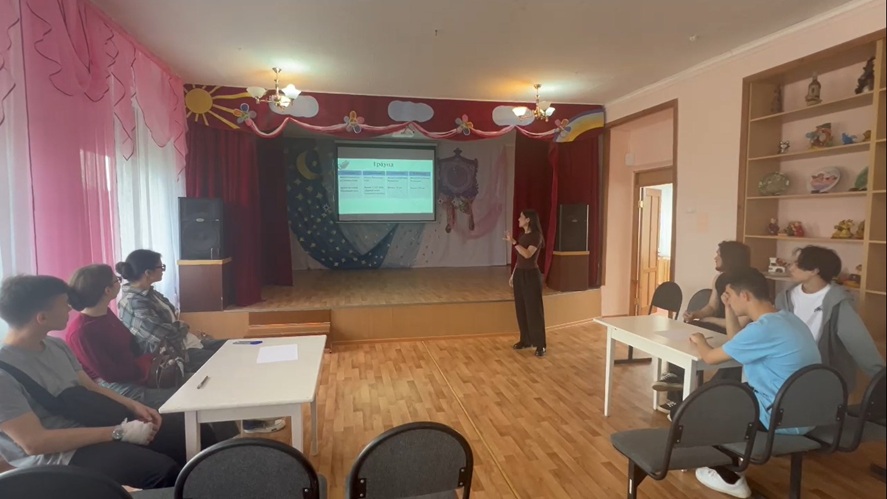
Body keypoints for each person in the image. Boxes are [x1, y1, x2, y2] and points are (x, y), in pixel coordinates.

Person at [0, 275, 180, 489]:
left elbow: (91, 387)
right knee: (163, 472)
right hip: (60, 455)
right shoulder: (4, 373)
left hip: (92, 423)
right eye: (64, 304)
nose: (70, 309)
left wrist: (134, 406)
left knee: (181, 433)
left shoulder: (57, 346)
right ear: (42, 317)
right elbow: (34, 443)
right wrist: (119, 432)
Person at [116, 249, 284, 434]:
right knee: (226, 371)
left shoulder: (149, 293)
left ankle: (250, 417)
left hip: (188, 342)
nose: (163, 270)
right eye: (160, 267)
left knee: (239, 349)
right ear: (148, 273)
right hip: (176, 355)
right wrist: (182, 327)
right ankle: (243, 426)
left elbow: (172, 325)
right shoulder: (133, 302)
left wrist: (181, 328)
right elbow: (163, 334)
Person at [687, 268, 821, 498]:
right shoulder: (787, 319)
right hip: (808, 412)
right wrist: (729, 308)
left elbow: (709, 357)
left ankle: (728, 476)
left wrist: (699, 339)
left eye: (730, 295)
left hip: (781, 416)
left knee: (710, 402)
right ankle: (729, 460)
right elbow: (738, 341)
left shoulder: (763, 329)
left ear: (745, 295)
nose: (727, 299)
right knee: (731, 392)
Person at [652, 240, 751, 412]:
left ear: (729, 258)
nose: (715, 257)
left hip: (734, 331)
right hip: (716, 324)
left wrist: (709, 320)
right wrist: (697, 314)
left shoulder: (745, 284)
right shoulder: (719, 279)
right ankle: (675, 389)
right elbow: (711, 306)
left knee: (699, 338)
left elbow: (741, 324)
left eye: (718, 254)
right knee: (686, 334)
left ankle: (692, 398)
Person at [65, 264, 177, 410]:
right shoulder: (81, 332)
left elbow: (131, 345)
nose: (120, 282)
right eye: (117, 280)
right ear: (107, 290)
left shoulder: (105, 314)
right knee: (180, 397)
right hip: (111, 386)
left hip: (134, 372)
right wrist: (144, 366)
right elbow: (110, 375)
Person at [778, 246, 884, 390]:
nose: (791, 268)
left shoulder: (838, 301)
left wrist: (881, 378)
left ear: (815, 270)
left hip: (824, 379)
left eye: (797, 264)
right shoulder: (784, 297)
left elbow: (859, 344)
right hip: (786, 375)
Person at [505, 209, 546, 357]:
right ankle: (526, 340)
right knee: (521, 309)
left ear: (528, 220)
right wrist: (513, 275)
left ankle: (540, 344)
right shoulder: (523, 236)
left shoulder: (536, 236)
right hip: (520, 274)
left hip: (531, 276)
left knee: (534, 310)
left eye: (521, 217)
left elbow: (527, 254)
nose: (518, 219)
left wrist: (513, 242)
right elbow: (519, 259)